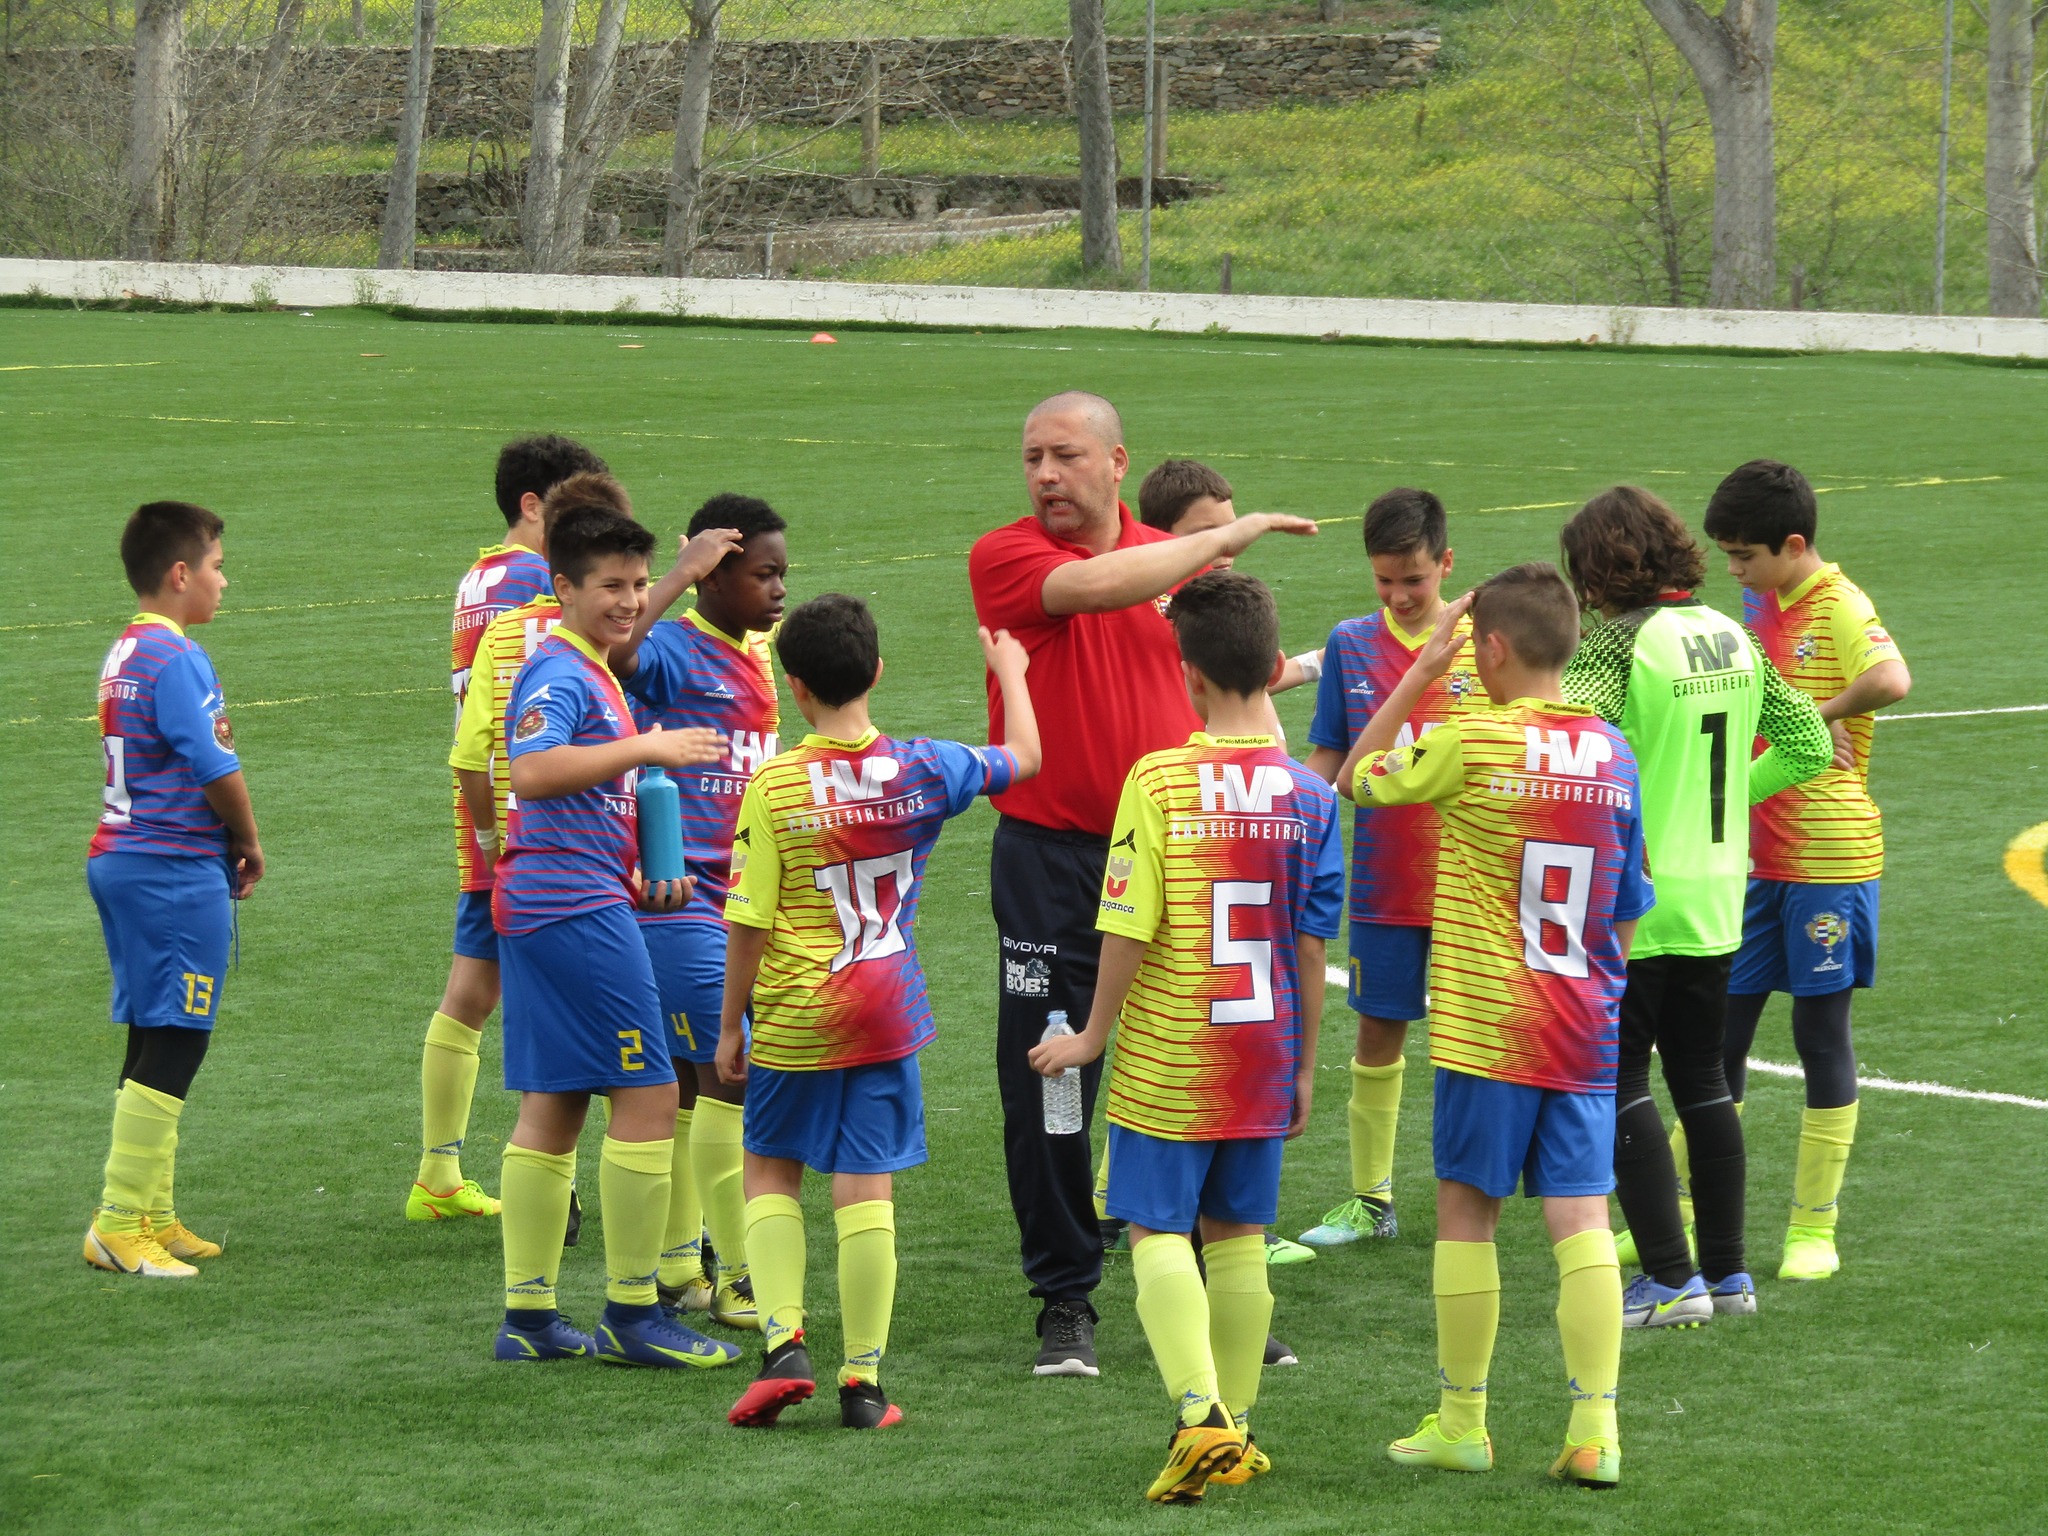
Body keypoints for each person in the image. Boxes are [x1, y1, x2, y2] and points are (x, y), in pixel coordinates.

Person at [967, 390, 1316, 1376]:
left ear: (1116, 463)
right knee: (1051, 1076)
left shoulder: (1172, 568)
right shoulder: (1010, 558)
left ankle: (1212, 1284)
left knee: (1197, 1065)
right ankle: (1064, 1297)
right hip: (1049, 860)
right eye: (1031, 456)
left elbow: (1232, 674)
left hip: (1184, 852)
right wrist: (1223, 539)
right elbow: (1103, 589)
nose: (1044, 475)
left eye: (1065, 456)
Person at [1030, 572, 1343, 1504]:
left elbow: (1127, 923)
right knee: (1241, 1235)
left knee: (1158, 1226)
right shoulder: (1311, 798)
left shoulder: (1160, 779)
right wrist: (1305, 1069)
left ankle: (1201, 1412)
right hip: (1267, 1047)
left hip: (1175, 1048)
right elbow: (1312, 948)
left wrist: (1092, 1034)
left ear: (1189, 675)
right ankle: (1235, 1430)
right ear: (1268, 666)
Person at [1342, 563, 1651, 1490]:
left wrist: (1419, 673)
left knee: (1466, 1212)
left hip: (1488, 1024)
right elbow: (1630, 902)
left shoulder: (1471, 740)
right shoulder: (1614, 751)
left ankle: (1464, 1420)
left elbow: (1360, 776)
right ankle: (1596, 1429)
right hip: (1585, 1019)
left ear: (1495, 648)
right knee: (1582, 1216)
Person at [716, 595, 1041, 1429]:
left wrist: (729, 1025)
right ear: (878, 672)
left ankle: (784, 1340)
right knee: (867, 1188)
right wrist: (1010, 672)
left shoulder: (777, 785)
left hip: (796, 1009)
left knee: (770, 1169)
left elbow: (749, 919)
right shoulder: (927, 767)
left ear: (794, 687)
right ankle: (863, 1384)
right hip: (887, 1009)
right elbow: (1024, 759)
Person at [1559, 487, 1832, 1325]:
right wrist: (1720, 810)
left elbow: (1566, 735)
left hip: (1634, 897)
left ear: (1600, 571)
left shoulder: (1615, 643)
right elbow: (1811, 744)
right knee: (1704, 1080)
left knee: (1618, 1080)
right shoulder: (1737, 635)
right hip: (1719, 893)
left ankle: (1671, 1279)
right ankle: (1729, 1276)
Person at [488, 506, 735, 1368]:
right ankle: (634, 1313)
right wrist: (647, 747)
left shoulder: (590, 668)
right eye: (612, 587)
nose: (631, 603)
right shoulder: (559, 673)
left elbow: (574, 799)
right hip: (573, 908)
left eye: (638, 584)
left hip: (557, 895)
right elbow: (531, 769)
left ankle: (527, 1317)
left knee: (554, 1103)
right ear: (564, 589)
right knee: (654, 1095)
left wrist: (637, 864)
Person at [1703, 461, 1910, 1283]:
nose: (1735, 570)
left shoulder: (1841, 604)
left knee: (1820, 1036)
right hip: (1752, 855)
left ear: (1794, 545)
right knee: (1720, 1035)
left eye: (1745, 555)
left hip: (1828, 857)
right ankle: (1684, 1211)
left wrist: (1808, 718)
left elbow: (1893, 678)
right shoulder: (1762, 605)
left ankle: (1812, 1228)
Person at [411, 434, 607, 1224]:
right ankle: (544, 1179)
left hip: (486, 810)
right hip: (538, 818)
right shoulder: (534, 581)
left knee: (475, 986)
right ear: (536, 506)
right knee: (546, 992)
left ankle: (439, 1169)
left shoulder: (477, 576)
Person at [613, 494, 786, 1330]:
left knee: (687, 1084)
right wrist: (679, 572)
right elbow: (615, 648)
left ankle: (682, 1263)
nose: (778, 590)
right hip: (681, 898)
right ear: (714, 578)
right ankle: (743, 1274)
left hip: (739, 896)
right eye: (763, 575)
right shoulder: (676, 648)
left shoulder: (753, 648)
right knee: (732, 1077)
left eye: (783, 573)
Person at [1297, 489, 1486, 1249]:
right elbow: (1329, 761)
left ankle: (1472, 1195)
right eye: (1384, 581)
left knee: (1474, 1042)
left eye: (1414, 578)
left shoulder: (1490, 641)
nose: (1401, 596)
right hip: (1384, 885)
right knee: (1379, 1033)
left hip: (1477, 884)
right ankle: (1372, 1201)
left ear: (1446, 562)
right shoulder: (1350, 643)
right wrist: (1288, 829)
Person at [83, 501, 264, 1280]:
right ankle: (120, 1221)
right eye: (218, 566)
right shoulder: (176, 657)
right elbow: (215, 766)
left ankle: (149, 1209)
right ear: (181, 573)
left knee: (151, 1027)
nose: (225, 581)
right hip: (168, 866)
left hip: (124, 858)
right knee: (180, 1035)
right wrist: (250, 841)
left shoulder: (124, 650)